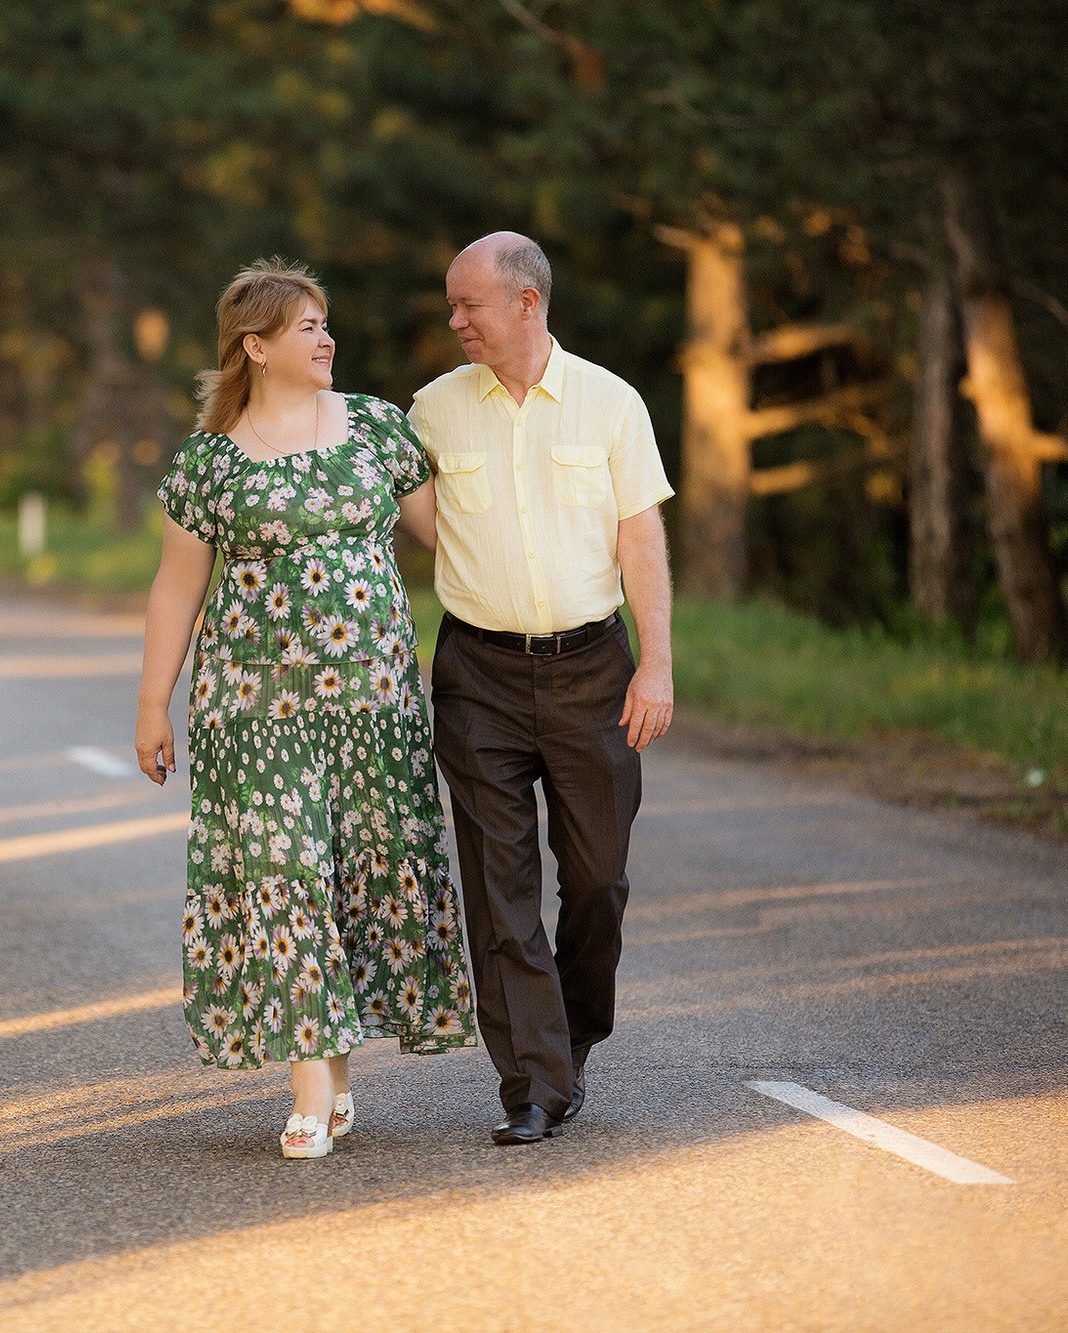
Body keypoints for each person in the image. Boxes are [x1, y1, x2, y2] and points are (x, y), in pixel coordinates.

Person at [136, 258, 476, 1160]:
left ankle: (334, 1066)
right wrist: (152, 705)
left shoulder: (374, 428)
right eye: (307, 328)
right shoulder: (209, 463)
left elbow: (455, 542)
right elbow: (176, 591)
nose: (327, 339)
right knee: (285, 874)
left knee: (354, 875)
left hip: (374, 701)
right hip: (252, 706)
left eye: (327, 324)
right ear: (256, 347)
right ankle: (312, 1081)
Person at [408, 232, 676, 1146]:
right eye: (451, 304)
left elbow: (640, 538)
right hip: (476, 673)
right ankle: (531, 1081)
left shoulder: (610, 403)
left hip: (592, 669)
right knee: (500, 885)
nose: (454, 321)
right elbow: (394, 506)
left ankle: (570, 1038)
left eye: (468, 304)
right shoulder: (433, 412)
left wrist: (657, 661)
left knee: (598, 878)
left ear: (527, 302)